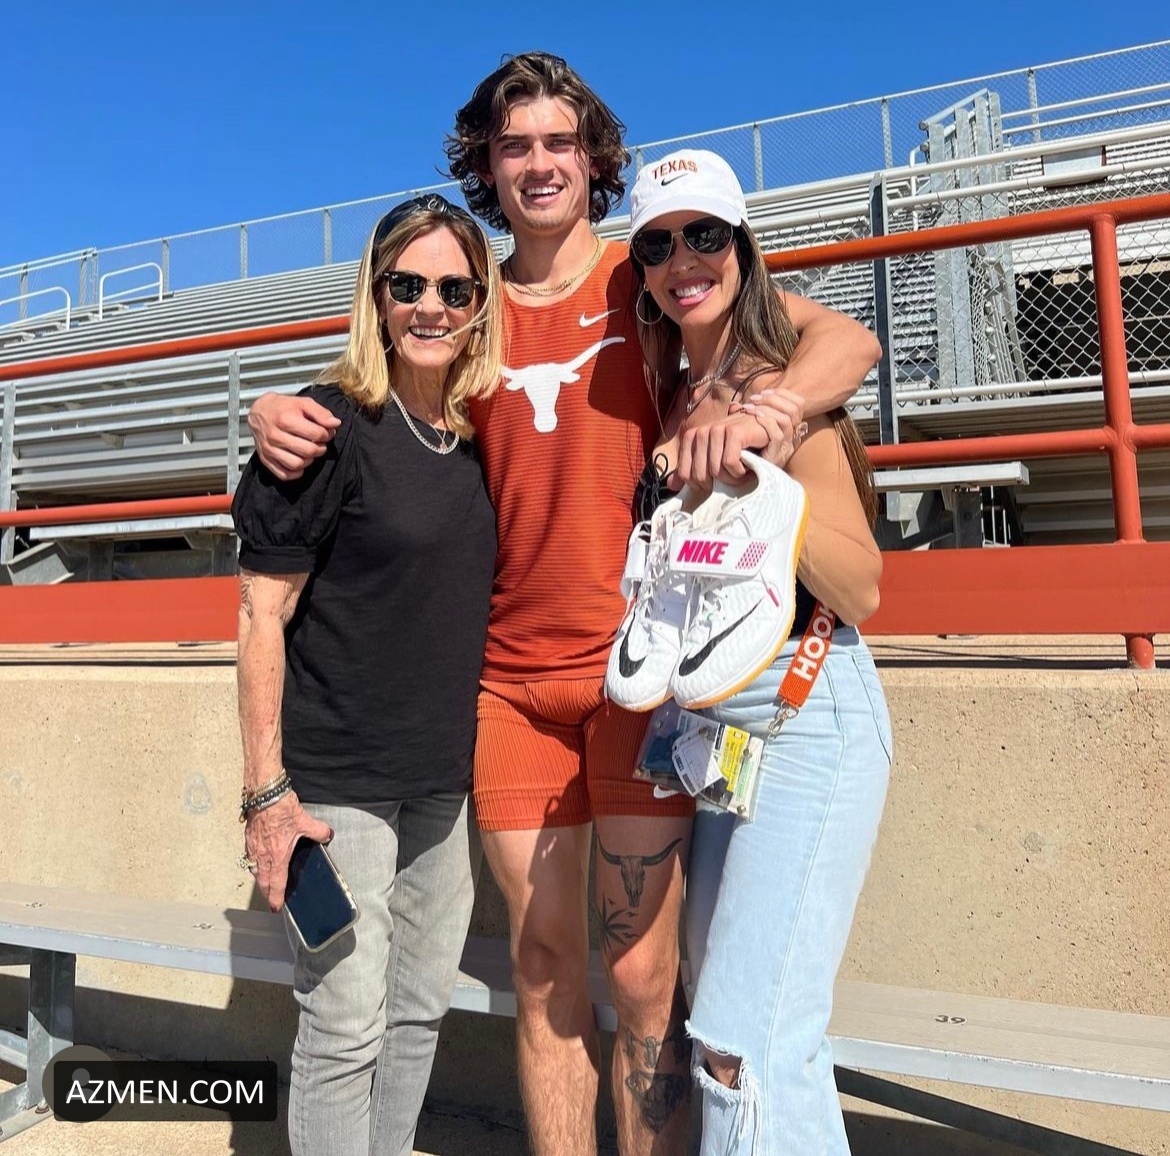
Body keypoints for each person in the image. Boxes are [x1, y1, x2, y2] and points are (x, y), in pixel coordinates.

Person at [247, 52, 882, 1156]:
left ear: (594, 161)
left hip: (640, 674)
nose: (538, 163)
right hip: (509, 684)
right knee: (543, 969)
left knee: (643, 976)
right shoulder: (471, 304)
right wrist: (270, 412)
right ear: (485, 165)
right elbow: (377, 390)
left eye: (559, 142)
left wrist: (768, 413)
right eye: (514, 145)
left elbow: (843, 339)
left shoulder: (652, 275)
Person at [625, 148, 893, 1154]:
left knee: (741, 1044)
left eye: (704, 235)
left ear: (741, 245)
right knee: (750, 1032)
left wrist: (763, 479)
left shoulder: (778, 385)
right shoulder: (676, 391)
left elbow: (861, 589)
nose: (682, 261)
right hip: (717, 732)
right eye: (657, 246)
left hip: (809, 706)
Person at [233, 193, 504, 1156]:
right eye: (408, 285)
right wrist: (266, 793)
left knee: (419, 1012)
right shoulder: (324, 429)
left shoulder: (480, 437)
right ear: (376, 296)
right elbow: (261, 616)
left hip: (442, 786)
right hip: (336, 788)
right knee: (344, 1024)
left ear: (480, 305)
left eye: (455, 290)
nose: (431, 307)